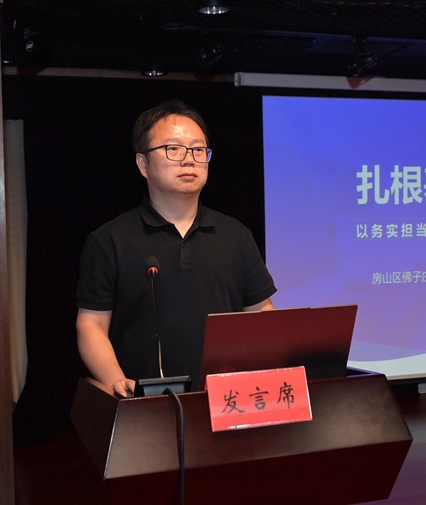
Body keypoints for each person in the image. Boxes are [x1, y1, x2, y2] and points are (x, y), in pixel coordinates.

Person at [76, 100, 276, 397]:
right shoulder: (110, 239)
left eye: (198, 150)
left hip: (227, 400)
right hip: (145, 404)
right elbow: (91, 323)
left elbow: (261, 312)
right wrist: (116, 381)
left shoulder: (236, 235)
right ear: (143, 164)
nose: (189, 160)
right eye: (174, 149)